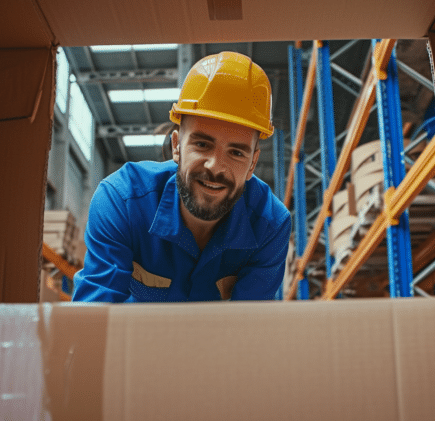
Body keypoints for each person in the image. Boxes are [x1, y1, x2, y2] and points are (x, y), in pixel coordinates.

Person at [73, 51, 291, 302]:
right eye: (202, 144)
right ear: (176, 145)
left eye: (236, 152)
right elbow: (94, 320)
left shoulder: (270, 226)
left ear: (253, 163)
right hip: (135, 340)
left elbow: (249, 331)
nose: (215, 166)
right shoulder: (122, 202)